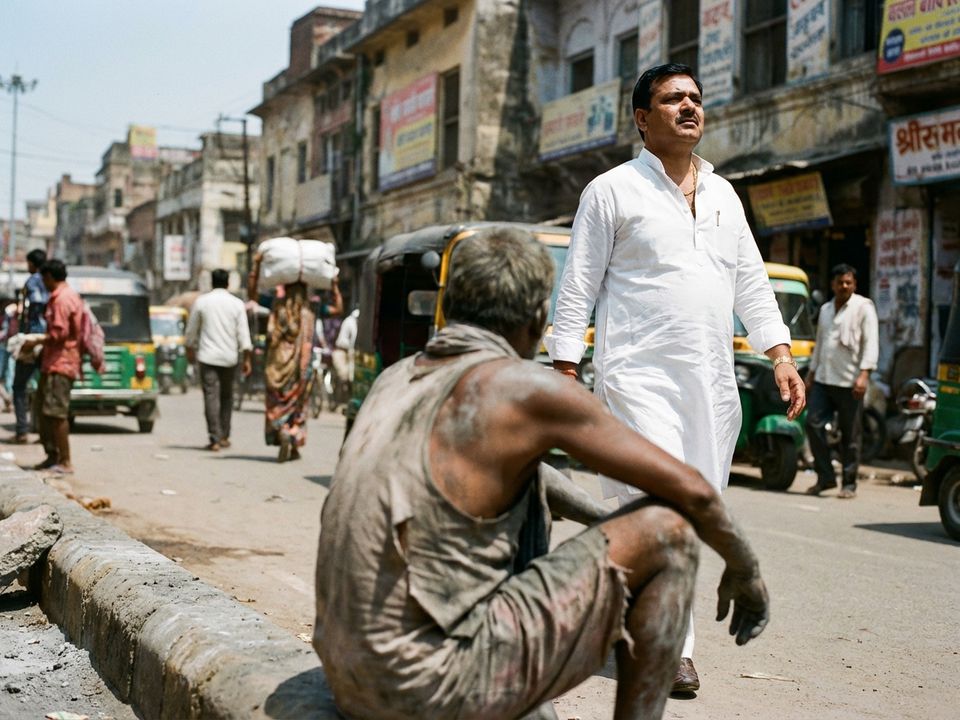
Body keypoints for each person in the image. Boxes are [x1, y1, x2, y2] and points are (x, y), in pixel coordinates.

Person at [314, 228, 770, 720]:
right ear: (537, 320)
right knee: (670, 533)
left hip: (352, 679)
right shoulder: (524, 388)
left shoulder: (396, 378)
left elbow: (540, 479)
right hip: (428, 689)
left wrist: (604, 520)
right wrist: (746, 570)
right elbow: (695, 495)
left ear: (449, 309)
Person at [546, 63, 805, 693]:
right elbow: (577, 283)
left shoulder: (723, 194)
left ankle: (619, 619)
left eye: (695, 98)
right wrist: (563, 371)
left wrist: (780, 354)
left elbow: (751, 278)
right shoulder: (610, 191)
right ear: (642, 118)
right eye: (672, 100)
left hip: (712, 385)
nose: (690, 107)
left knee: (693, 513)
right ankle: (671, 650)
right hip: (638, 380)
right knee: (657, 507)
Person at [251, 250, 342, 462]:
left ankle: (281, 428)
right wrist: (334, 284)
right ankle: (292, 435)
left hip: (277, 365)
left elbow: (253, 297)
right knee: (300, 403)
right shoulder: (313, 308)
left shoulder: (275, 304)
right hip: (302, 368)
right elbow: (338, 308)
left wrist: (255, 269)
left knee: (278, 400)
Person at [804, 264, 879, 499]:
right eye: (840, 282)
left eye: (848, 282)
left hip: (850, 382)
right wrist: (811, 373)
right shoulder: (826, 309)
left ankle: (849, 484)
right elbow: (821, 344)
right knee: (812, 424)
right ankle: (825, 477)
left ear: (854, 284)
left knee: (851, 436)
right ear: (833, 284)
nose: (844, 286)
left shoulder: (864, 307)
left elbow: (871, 342)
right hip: (824, 380)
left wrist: (865, 374)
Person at [21, 260, 84, 475]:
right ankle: (52, 456)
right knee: (44, 410)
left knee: (56, 413)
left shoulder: (61, 299)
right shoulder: (66, 296)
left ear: (49, 277)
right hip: (54, 362)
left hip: (61, 362)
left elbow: (59, 334)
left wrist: (35, 341)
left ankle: (65, 461)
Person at [185, 269, 252, 452]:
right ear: (228, 283)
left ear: (212, 283)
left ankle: (214, 438)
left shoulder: (202, 302)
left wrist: (189, 348)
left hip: (207, 357)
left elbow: (191, 331)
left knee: (211, 396)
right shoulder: (237, 304)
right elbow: (244, 334)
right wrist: (247, 358)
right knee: (227, 397)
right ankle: (224, 435)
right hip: (230, 357)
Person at [11, 249, 49, 443]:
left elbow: (34, 304)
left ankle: (22, 430)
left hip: (33, 339)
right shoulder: (53, 282)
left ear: (33, 264)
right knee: (44, 389)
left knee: (19, 386)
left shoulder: (33, 282)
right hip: (48, 340)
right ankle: (45, 434)